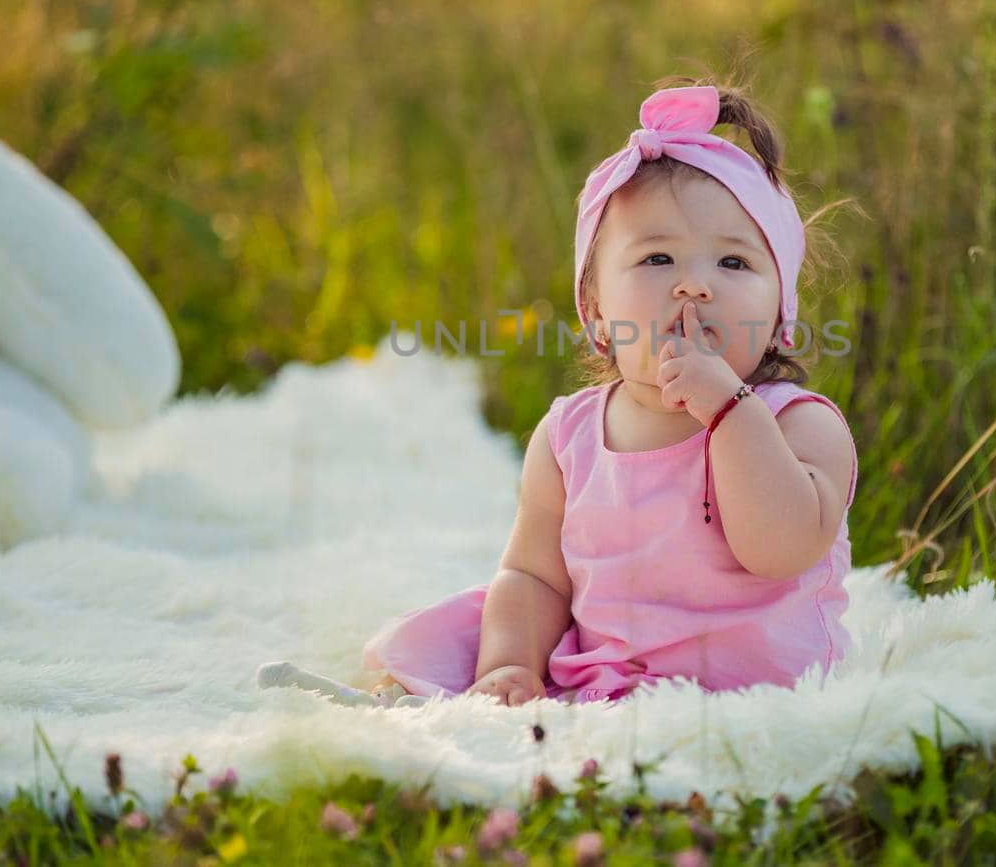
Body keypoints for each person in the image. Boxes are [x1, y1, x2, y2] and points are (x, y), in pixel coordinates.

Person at [258, 78, 858, 709]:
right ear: (597, 314)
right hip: (608, 684)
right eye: (657, 260)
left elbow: (778, 550)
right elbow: (535, 577)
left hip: (754, 694)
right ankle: (436, 698)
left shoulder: (799, 426)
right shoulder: (571, 436)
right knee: (475, 627)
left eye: (733, 264)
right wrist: (510, 663)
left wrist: (731, 411)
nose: (694, 287)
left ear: (779, 314)